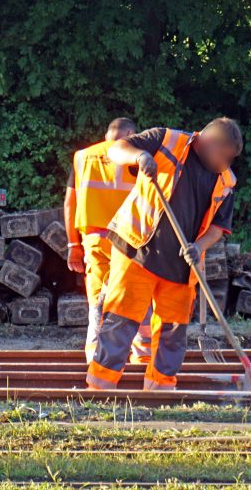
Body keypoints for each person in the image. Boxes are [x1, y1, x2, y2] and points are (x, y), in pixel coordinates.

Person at [86, 117, 243, 390]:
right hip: (138, 250)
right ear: (208, 141)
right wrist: (140, 156)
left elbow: (218, 227)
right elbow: (115, 149)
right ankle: (100, 388)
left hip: (182, 266)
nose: (225, 165)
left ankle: (161, 390)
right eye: (223, 156)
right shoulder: (167, 140)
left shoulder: (226, 181)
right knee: (120, 322)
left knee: (173, 333)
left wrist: (199, 247)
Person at [63, 117, 151, 363]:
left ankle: (97, 362)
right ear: (131, 133)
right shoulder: (138, 156)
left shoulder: (82, 157)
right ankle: (144, 358)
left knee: (98, 300)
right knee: (136, 296)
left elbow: (70, 203)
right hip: (131, 240)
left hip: (95, 239)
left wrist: (73, 245)